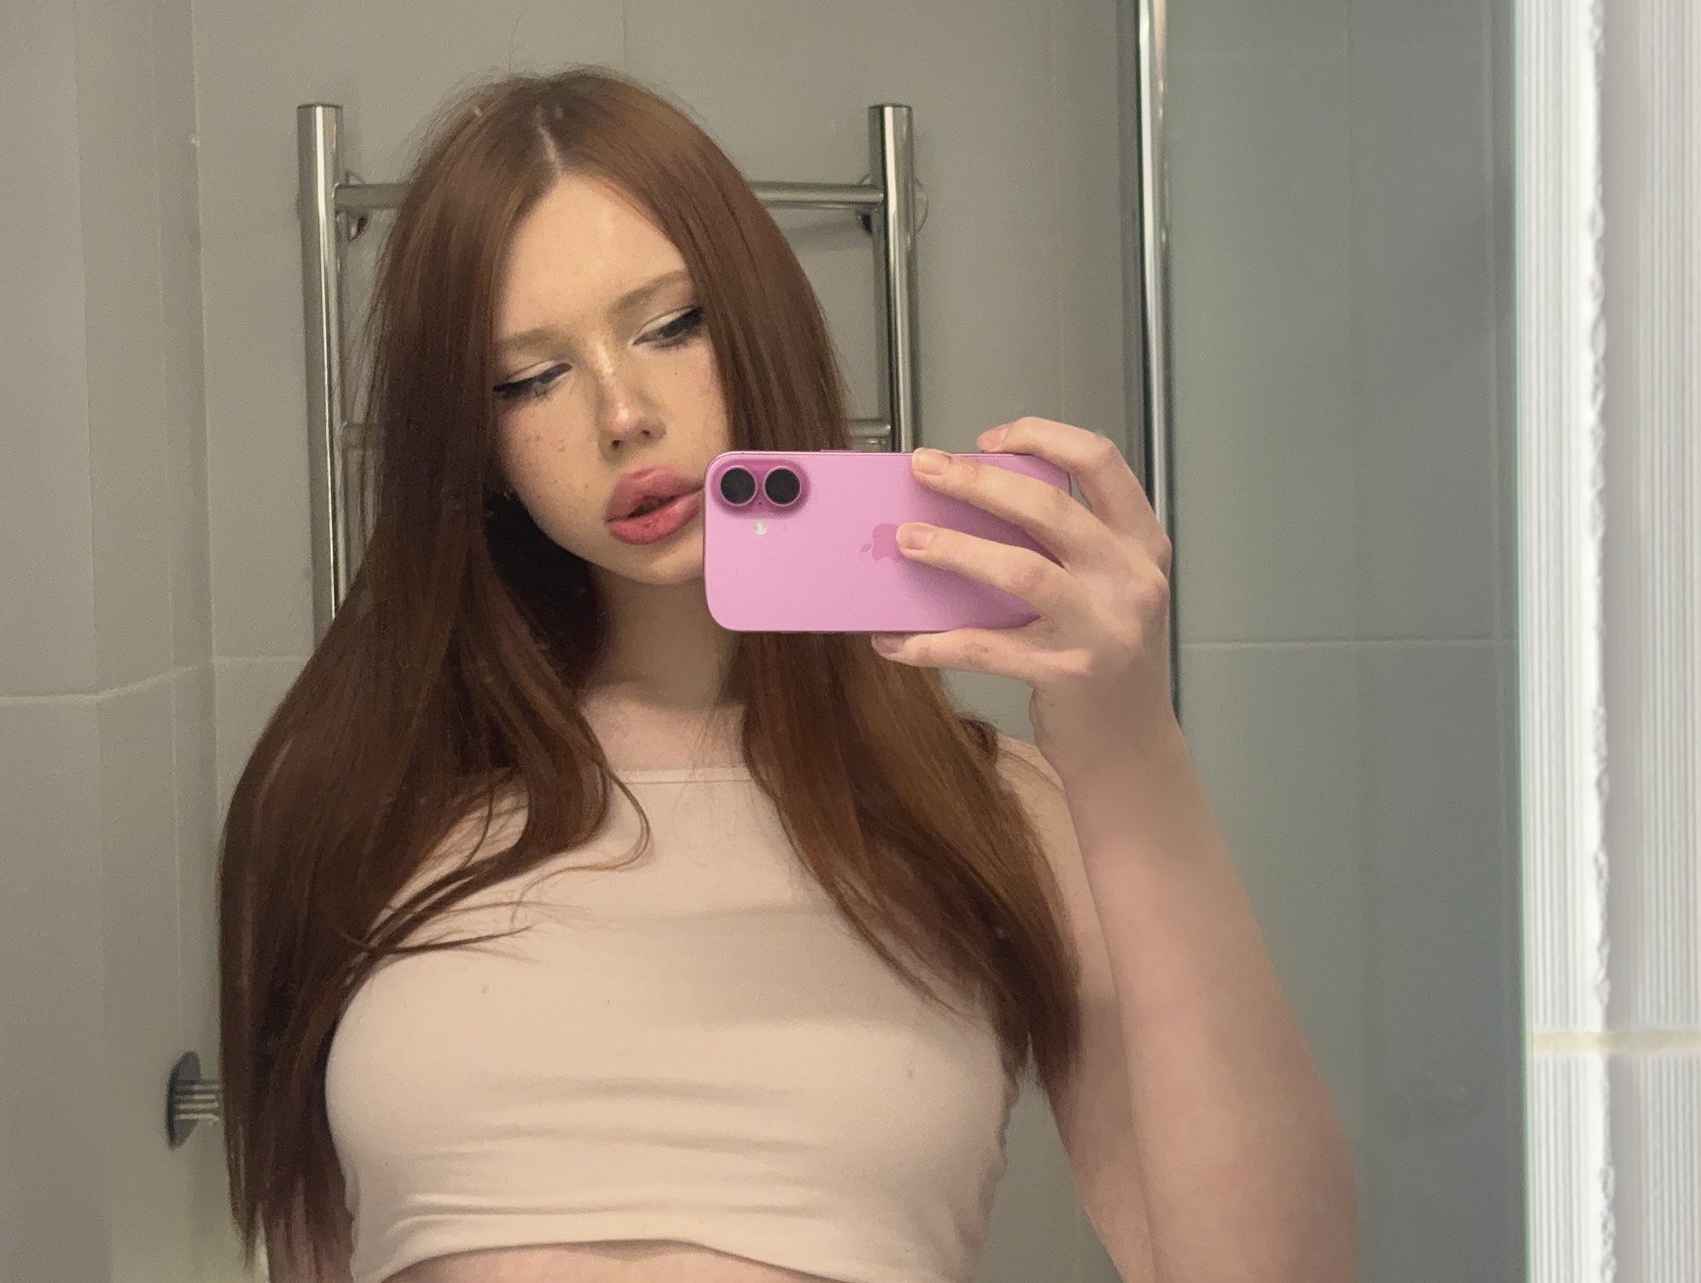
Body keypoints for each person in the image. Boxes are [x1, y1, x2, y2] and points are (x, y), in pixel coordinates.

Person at [217, 66, 1356, 1283]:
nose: (622, 413)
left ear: (761, 325)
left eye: (672, 326)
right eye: (529, 378)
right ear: (475, 440)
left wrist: (1129, 750)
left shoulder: (992, 816)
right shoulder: (350, 796)